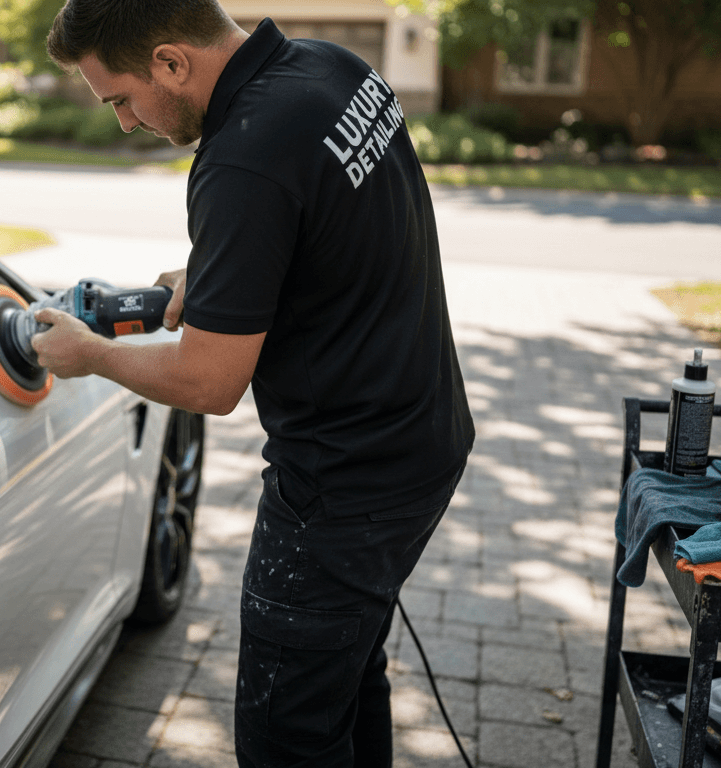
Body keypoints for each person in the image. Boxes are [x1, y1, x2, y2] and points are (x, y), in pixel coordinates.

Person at [36, 1, 475, 766]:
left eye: (120, 99)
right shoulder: (333, 70)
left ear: (171, 62)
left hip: (343, 485)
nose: (126, 124)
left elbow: (210, 381)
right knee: (342, 678)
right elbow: (333, 228)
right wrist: (220, 274)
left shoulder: (241, 158)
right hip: (422, 438)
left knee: (287, 735)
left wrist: (92, 355)